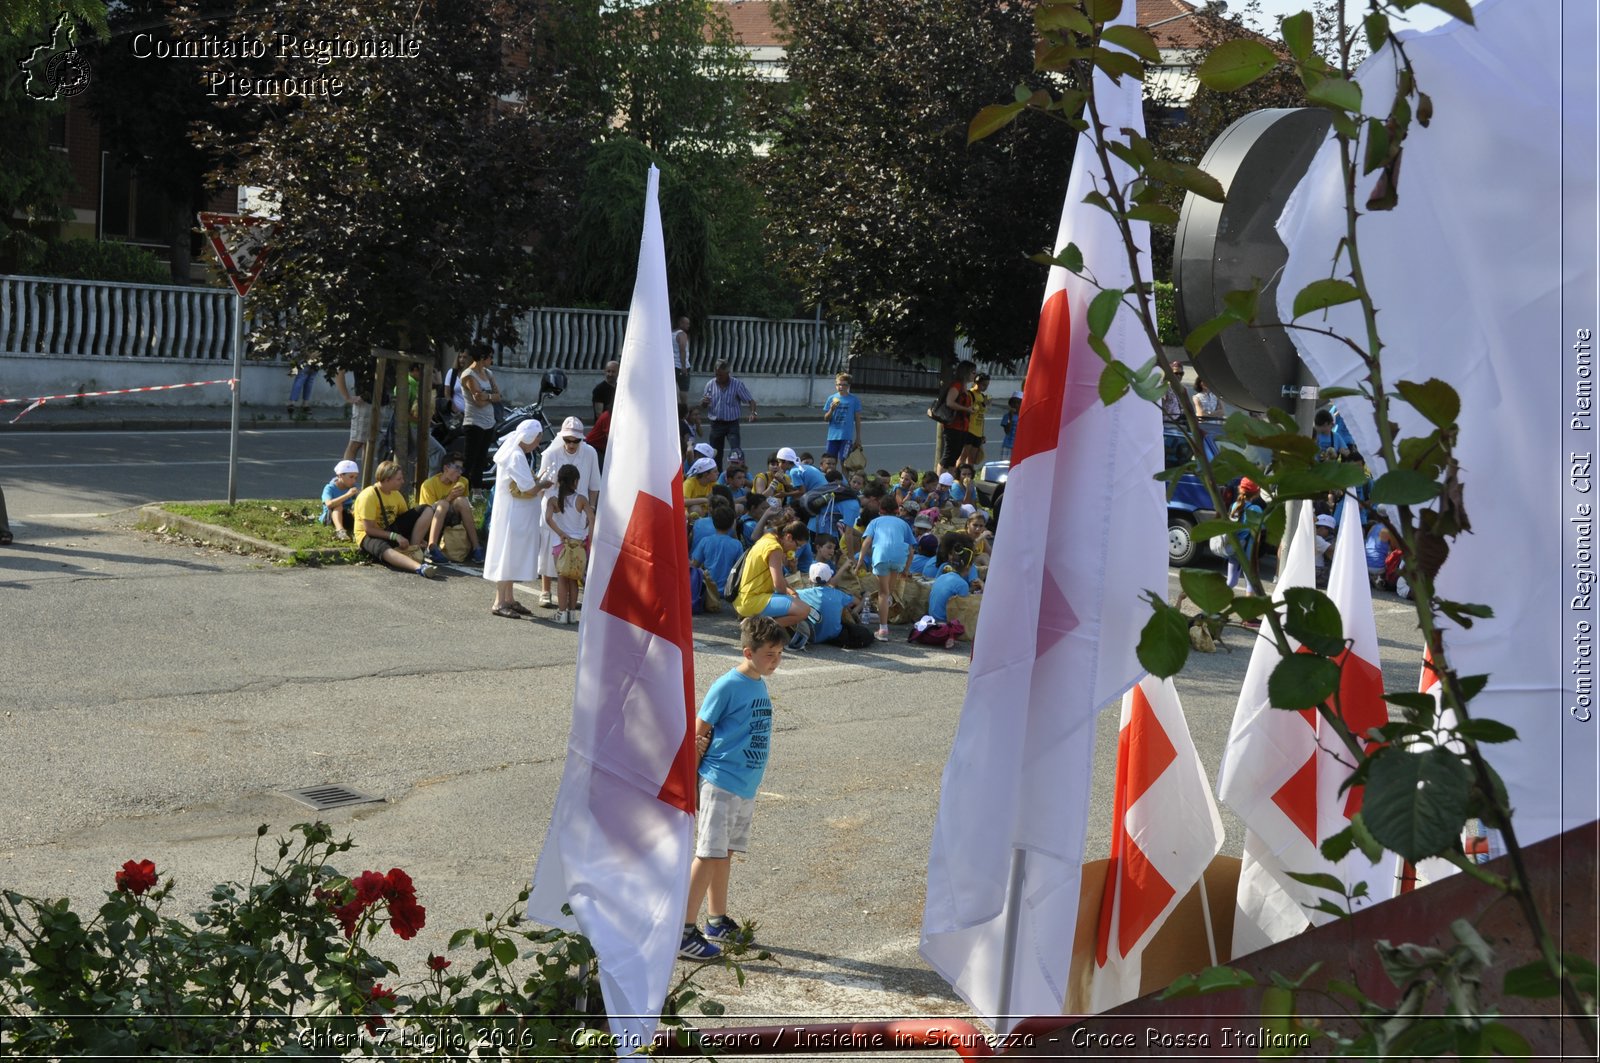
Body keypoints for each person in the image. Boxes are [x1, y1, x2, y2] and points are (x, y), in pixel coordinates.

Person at [680, 615, 786, 960]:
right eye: (770, 654)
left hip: (744, 784)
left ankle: (716, 920)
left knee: (723, 853)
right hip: (721, 781)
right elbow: (699, 730)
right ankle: (682, 931)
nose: (776, 660)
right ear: (748, 652)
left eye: (780, 653)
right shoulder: (727, 685)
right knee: (709, 852)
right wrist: (692, 777)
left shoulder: (757, 681)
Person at [484, 419, 549, 618]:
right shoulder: (515, 456)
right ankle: (499, 602)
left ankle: (509, 598)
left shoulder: (517, 452)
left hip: (516, 515)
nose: (538, 443)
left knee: (510, 556)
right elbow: (528, 489)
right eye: (538, 439)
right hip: (513, 516)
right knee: (507, 555)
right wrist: (543, 484)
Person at [535, 417, 601, 607]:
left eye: (576, 441)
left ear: (582, 439)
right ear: (562, 438)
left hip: (579, 509)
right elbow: (543, 485)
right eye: (568, 440)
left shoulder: (590, 453)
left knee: (575, 553)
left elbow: (594, 484)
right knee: (550, 547)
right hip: (555, 506)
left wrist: (592, 508)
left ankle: (571, 599)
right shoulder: (550, 453)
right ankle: (545, 590)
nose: (571, 444)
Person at [351, 460, 443, 578]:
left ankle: (413, 550)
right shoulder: (368, 496)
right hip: (368, 535)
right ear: (387, 479)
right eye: (399, 479)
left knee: (427, 509)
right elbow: (369, 530)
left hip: (390, 530)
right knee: (382, 548)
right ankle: (420, 568)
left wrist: (417, 538)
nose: (402, 482)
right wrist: (396, 536)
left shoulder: (396, 494)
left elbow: (406, 519)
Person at [733, 519, 814, 630]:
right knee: (804, 610)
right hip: (751, 601)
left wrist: (792, 592)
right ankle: (757, 627)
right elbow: (779, 586)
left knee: (794, 603)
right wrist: (793, 598)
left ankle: (754, 620)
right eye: (798, 545)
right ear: (789, 537)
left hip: (744, 598)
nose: (797, 549)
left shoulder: (768, 537)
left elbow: (779, 577)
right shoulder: (775, 548)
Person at [859, 503, 917, 642]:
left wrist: (859, 562)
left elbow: (866, 542)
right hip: (899, 558)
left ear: (880, 512)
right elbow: (911, 550)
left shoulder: (875, 522)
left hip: (881, 556)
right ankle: (886, 606)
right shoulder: (903, 523)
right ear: (897, 512)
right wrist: (906, 569)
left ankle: (883, 629)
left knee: (883, 593)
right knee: (888, 591)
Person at [417, 452, 485, 564]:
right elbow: (427, 511)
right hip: (433, 521)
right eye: (457, 468)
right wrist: (449, 498)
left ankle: (476, 547)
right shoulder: (428, 485)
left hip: (453, 519)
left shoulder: (463, 482)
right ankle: (432, 547)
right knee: (443, 504)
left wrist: (455, 499)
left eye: (461, 469)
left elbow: (464, 506)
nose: (460, 473)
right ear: (446, 468)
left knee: (462, 501)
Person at [545, 463, 591, 624]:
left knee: (562, 579)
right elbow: (592, 519)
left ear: (559, 481)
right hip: (578, 545)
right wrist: (588, 537)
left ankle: (561, 613)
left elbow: (548, 519)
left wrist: (560, 533)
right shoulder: (582, 499)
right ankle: (572, 613)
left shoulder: (553, 500)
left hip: (560, 545)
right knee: (574, 578)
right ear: (576, 481)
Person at [460, 344, 503, 490]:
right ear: (483, 357)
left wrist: (487, 396)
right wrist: (489, 397)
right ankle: (462, 492)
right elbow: (478, 402)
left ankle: (477, 493)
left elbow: (499, 396)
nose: (492, 360)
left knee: (481, 460)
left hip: (489, 422)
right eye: (490, 357)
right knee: (469, 461)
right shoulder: (468, 375)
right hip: (474, 422)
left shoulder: (488, 374)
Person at [700, 361, 758, 468]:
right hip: (716, 424)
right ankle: (717, 477)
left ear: (728, 373)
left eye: (721, 375)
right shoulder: (710, 384)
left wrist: (753, 412)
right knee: (716, 453)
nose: (718, 377)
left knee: (736, 453)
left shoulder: (737, 385)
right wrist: (704, 403)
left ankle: (738, 475)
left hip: (732, 424)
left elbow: (750, 401)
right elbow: (703, 405)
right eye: (716, 374)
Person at [794, 563, 864, 650]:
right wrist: (865, 599)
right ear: (830, 579)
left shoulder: (802, 593)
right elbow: (857, 602)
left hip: (814, 637)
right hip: (835, 635)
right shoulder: (839, 594)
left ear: (810, 580)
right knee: (863, 633)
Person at [692, 505, 746, 593]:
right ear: (732, 523)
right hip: (728, 591)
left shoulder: (705, 541)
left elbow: (694, 565)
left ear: (713, 522)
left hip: (709, 591)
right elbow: (740, 568)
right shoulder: (737, 544)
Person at [1224, 477, 1265, 592]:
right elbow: (1259, 530)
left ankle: (1215, 600)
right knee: (1251, 583)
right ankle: (1248, 607)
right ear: (1257, 493)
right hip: (1248, 550)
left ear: (1240, 489)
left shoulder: (1234, 506)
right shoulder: (1256, 509)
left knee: (1231, 581)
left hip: (1234, 547)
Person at [936, 361, 977, 473]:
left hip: (962, 426)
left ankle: (948, 480)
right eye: (973, 372)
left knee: (955, 456)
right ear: (966, 372)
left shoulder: (964, 386)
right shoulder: (957, 385)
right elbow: (950, 402)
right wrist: (966, 409)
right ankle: (940, 481)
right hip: (953, 425)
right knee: (948, 456)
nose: (975, 375)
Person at [821, 373, 863, 463]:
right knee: (830, 461)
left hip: (846, 436)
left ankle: (845, 477)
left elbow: (857, 419)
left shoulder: (854, 400)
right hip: (832, 436)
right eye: (839, 384)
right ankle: (833, 477)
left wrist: (858, 437)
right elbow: (826, 419)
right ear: (836, 385)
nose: (841, 387)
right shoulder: (831, 398)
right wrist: (831, 410)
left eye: (844, 385)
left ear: (848, 386)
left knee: (844, 462)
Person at [319, 459, 361, 540]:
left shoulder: (352, 487)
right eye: (351, 477)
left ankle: (357, 530)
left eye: (356, 477)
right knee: (338, 506)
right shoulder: (329, 488)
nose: (354, 480)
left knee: (357, 506)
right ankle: (340, 531)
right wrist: (347, 495)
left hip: (346, 515)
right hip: (330, 517)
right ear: (340, 475)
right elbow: (329, 504)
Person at [963, 371, 991, 466]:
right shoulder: (970, 394)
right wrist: (983, 404)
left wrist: (982, 434)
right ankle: (957, 476)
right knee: (963, 456)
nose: (985, 387)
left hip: (978, 433)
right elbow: (971, 409)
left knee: (972, 459)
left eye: (987, 385)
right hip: (969, 430)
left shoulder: (982, 396)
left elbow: (982, 417)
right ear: (976, 382)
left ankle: (969, 478)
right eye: (983, 384)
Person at [672, 317, 692, 402]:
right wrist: (683, 366)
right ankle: (684, 408)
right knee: (683, 389)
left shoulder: (672, 333)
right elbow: (682, 350)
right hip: (680, 366)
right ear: (681, 323)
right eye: (686, 323)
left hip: (673, 365)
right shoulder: (682, 334)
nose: (688, 326)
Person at [1000, 390, 1022, 459]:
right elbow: (1007, 431)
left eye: (1018, 403)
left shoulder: (1024, 416)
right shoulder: (1007, 416)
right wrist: (1010, 417)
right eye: (1014, 403)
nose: (1016, 405)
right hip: (1007, 446)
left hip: (1020, 446)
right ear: (1010, 405)